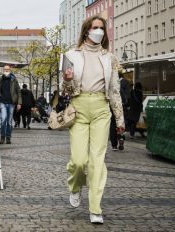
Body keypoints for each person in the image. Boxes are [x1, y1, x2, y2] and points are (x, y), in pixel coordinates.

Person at [61, 16, 125, 224]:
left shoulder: (110, 58)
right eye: (94, 27)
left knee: (97, 160)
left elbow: (114, 90)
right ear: (86, 30)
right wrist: (67, 80)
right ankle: (75, 185)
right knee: (79, 161)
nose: (98, 31)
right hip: (78, 107)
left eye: (101, 28)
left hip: (101, 108)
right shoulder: (70, 55)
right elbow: (64, 91)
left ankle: (95, 208)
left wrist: (120, 118)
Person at [0, 65, 22, 144]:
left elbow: (18, 92)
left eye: (8, 69)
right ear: (3, 70)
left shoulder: (14, 80)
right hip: (2, 102)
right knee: (3, 120)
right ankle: (2, 137)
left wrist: (19, 103)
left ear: (10, 70)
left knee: (9, 121)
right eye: (5, 69)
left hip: (11, 103)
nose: (6, 70)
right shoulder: (0, 80)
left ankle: (8, 137)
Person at [110, 73, 129, 151]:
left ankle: (114, 145)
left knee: (113, 125)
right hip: (121, 107)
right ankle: (121, 138)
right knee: (120, 123)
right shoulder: (122, 85)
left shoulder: (111, 86)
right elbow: (125, 98)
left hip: (111, 107)